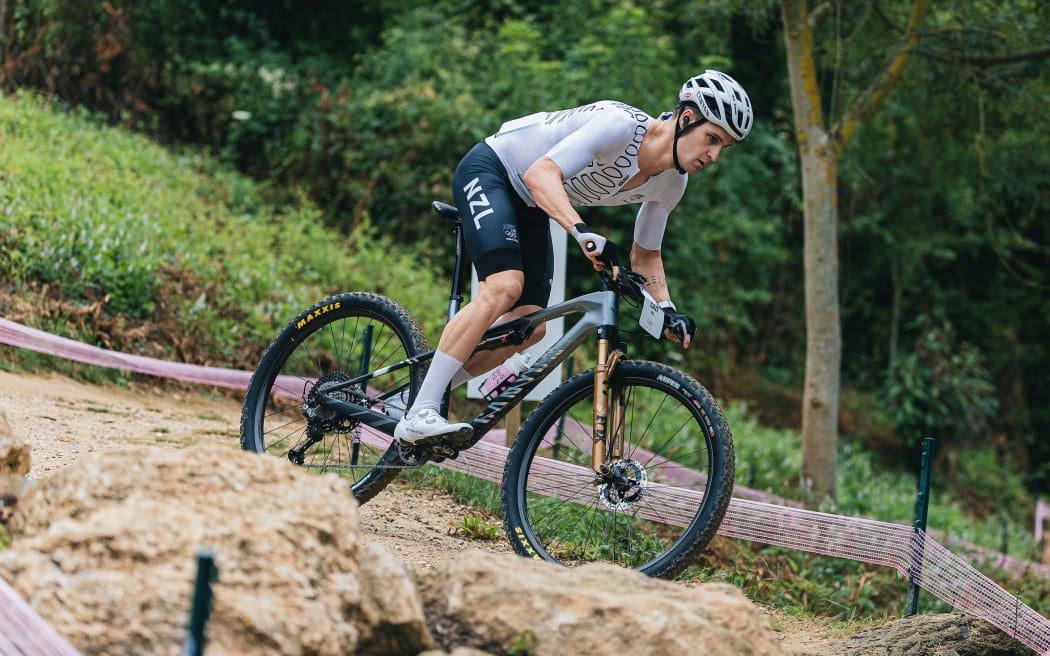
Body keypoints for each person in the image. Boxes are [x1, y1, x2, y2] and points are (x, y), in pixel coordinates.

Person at [394, 69, 754, 445]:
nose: (713, 155)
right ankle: (420, 413)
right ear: (686, 119)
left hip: (530, 202)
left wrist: (666, 307)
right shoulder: (619, 126)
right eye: (712, 138)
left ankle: (415, 396)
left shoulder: (672, 183)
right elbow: (541, 173)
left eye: (722, 147)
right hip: (494, 169)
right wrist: (581, 231)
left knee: (529, 328)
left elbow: (645, 253)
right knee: (504, 287)